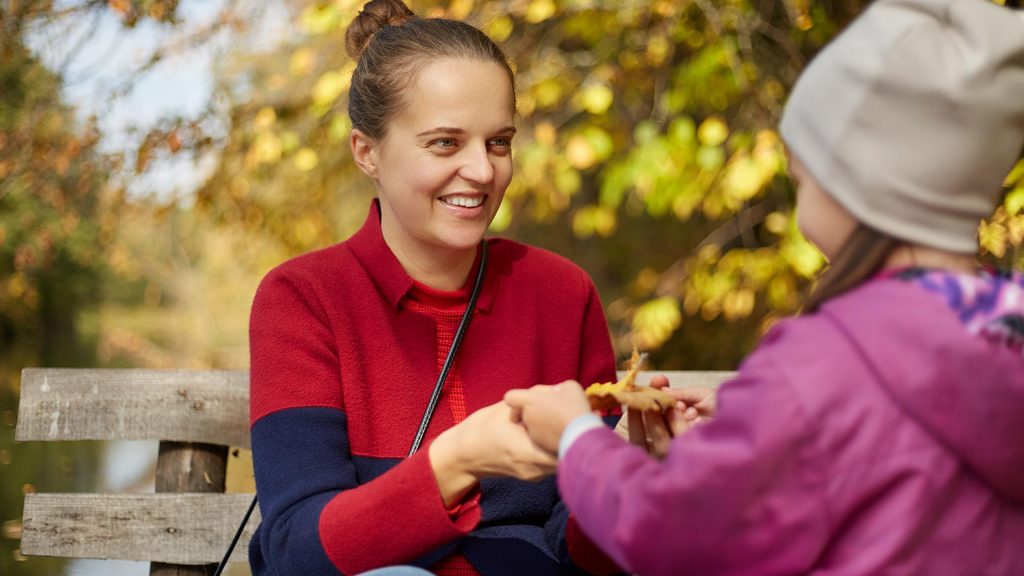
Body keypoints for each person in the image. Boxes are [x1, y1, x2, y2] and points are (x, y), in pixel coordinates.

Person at [505, 0, 1024, 573]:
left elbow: (673, 528)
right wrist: (745, 424)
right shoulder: (1005, 329)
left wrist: (578, 439)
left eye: (802, 179)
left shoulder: (823, 363)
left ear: (851, 183)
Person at [247, 1, 623, 574]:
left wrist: (631, 475)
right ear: (367, 152)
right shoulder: (303, 299)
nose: (483, 171)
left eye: (499, 142)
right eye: (446, 143)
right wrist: (457, 462)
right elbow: (296, 552)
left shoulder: (563, 295)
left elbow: (584, 559)